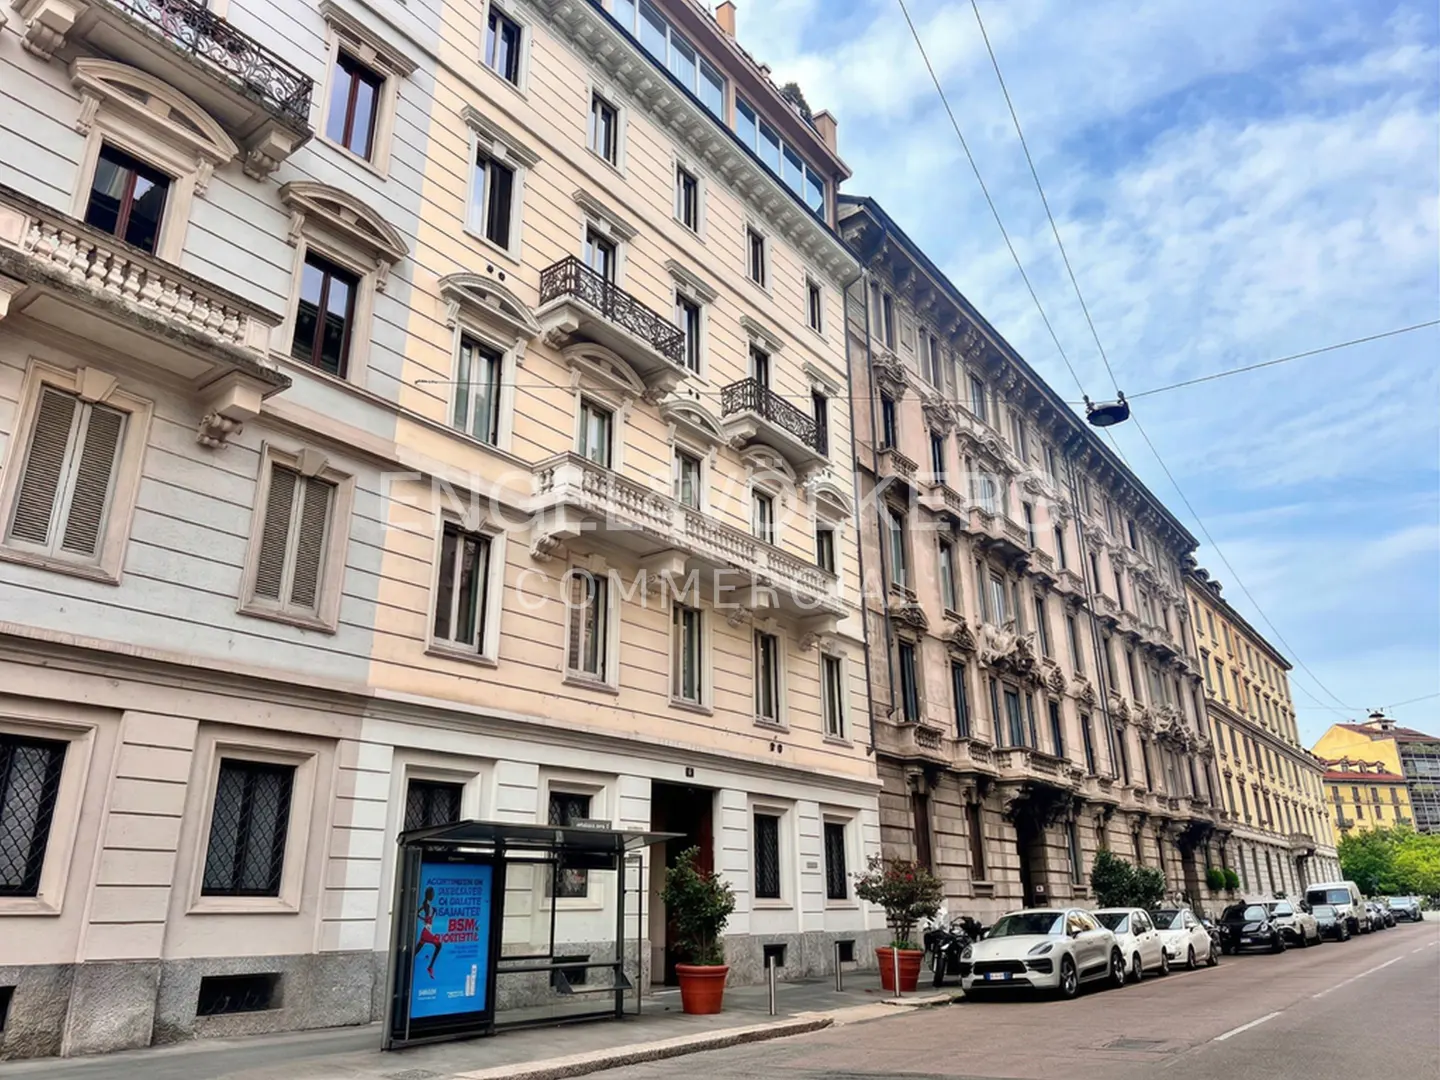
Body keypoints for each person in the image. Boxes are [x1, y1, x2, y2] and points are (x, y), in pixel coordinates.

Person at [417, 886, 443, 978]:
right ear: (428, 895)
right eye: (432, 894)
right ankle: (430, 967)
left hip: (427, 931)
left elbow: (420, 913)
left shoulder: (427, 904)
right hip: (426, 932)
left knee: (417, 950)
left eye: (433, 894)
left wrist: (428, 916)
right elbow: (421, 914)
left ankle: (409, 960)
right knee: (439, 945)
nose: (433, 896)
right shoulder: (426, 904)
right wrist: (425, 918)